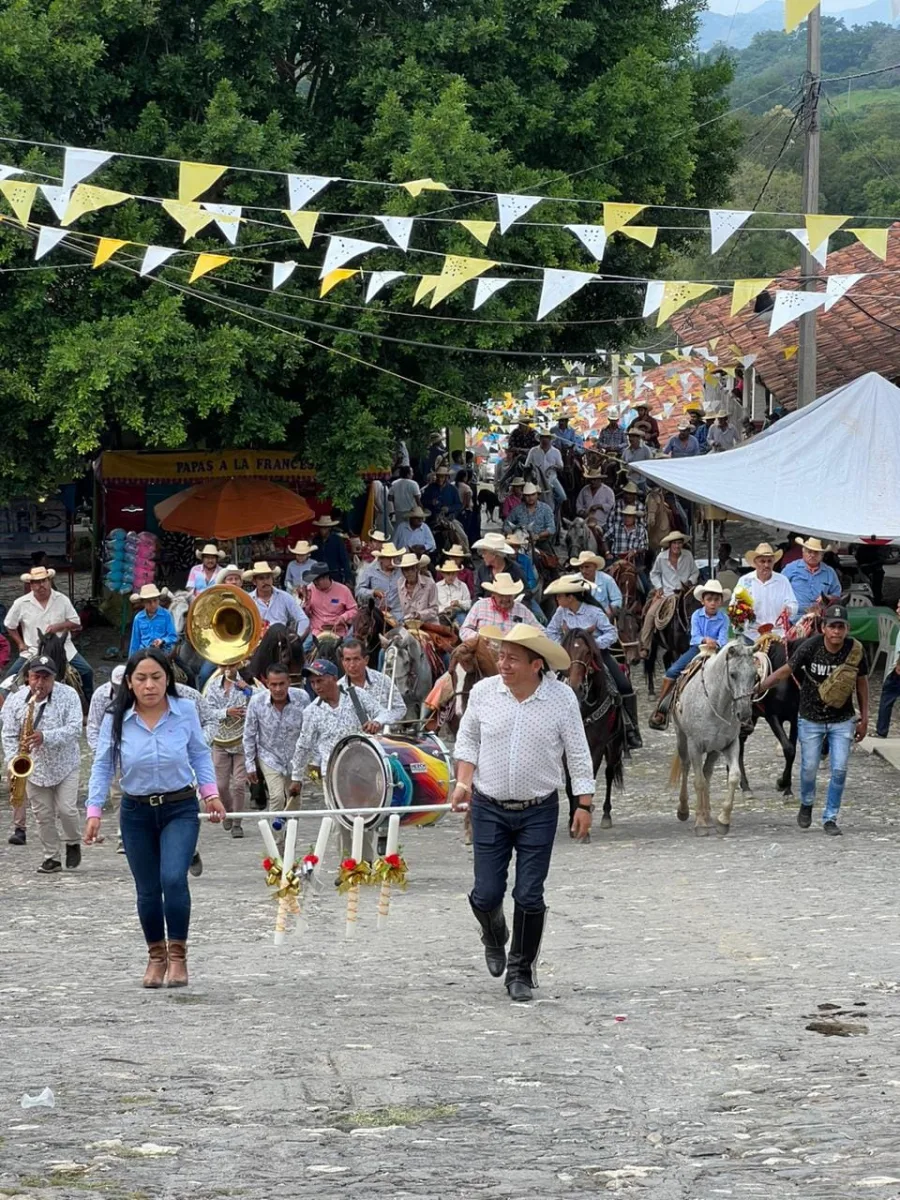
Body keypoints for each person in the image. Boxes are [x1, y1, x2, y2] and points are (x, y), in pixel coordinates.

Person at [451, 623, 594, 1003]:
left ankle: (521, 971)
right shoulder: (483, 692)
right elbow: (467, 741)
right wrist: (463, 783)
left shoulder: (561, 699)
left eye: (512, 659)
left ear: (536, 665)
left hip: (538, 810)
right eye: (501, 656)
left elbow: (578, 753)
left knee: (530, 894)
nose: (503, 664)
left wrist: (584, 803)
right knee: (486, 893)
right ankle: (494, 932)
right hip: (488, 807)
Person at [84, 649, 226, 987]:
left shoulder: (185, 711)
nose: (150, 685)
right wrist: (93, 811)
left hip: (180, 807)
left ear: (168, 679)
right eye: (141, 678)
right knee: (147, 890)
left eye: (157, 677)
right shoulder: (115, 718)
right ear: (130, 684)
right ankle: (156, 956)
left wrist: (211, 793)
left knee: (174, 878)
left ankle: (178, 956)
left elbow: (199, 754)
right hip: (135, 812)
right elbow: (103, 766)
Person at [758, 604, 868, 836]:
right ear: (823, 628)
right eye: (832, 626)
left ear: (847, 629)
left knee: (839, 769)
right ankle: (807, 803)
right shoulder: (811, 646)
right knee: (808, 768)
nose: (837, 631)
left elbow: (862, 684)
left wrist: (865, 717)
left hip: (842, 718)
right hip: (810, 717)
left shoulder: (855, 650)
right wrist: (761, 686)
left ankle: (830, 817)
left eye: (841, 627)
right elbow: (787, 669)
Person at [1, 654, 83, 874]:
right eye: (36, 677)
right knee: (43, 815)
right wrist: (13, 761)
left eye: (46, 678)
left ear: (54, 678)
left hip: (65, 764)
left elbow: (76, 729)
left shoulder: (69, 695)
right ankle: (52, 857)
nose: (40, 683)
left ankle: (73, 841)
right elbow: (8, 734)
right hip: (34, 768)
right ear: (28, 677)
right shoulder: (16, 700)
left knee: (67, 810)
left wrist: (45, 736)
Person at [544, 575, 643, 749]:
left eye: (560, 595)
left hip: (597, 655)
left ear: (571, 597)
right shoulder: (561, 612)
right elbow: (550, 632)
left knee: (623, 685)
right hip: (570, 657)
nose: (557, 599)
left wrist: (592, 646)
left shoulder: (594, 612)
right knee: (546, 684)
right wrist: (564, 646)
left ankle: (630, 728)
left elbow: (611, 633)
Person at [289, 659, 390, 798]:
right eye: (312, 683)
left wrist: (377, 722)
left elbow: (384, 713)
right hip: (333, 773)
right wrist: (296, 778)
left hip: (364, 768)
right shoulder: (311, 712)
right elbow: (304, 746)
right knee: (339, 817)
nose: (316, 687)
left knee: (368, 813)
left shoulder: (356, 695)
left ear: (334, 678)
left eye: (320, 681)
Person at [2, 565, 93, 702]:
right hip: (33, 650)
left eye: (44, 581)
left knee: (87, 671)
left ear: (49, 581)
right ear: (31, 585)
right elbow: (10, 625)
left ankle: (89, 706)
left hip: (63, 649)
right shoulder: (21, 603)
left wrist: (59, 626)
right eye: (37, 582)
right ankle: (10, 711)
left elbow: (76, 623)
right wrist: (20, 643)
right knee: (9, 680)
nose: (41, 585)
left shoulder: (62, 599)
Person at [649, 581, 731, 728]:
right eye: (709, 600)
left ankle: (735, 710)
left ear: (720, 602)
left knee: (733, 673)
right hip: (698, 649)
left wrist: (717, 643)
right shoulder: (696, 615)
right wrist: (706, 639)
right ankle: (661, 708)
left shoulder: (724, 618)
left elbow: (724, 639)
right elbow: (694, 637)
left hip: (717, 651)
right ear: (702, 601)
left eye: (716, 600)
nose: (712, 603)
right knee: (672, 671)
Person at [242, 663, 310, 816]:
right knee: (277, 797)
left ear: (289, 682)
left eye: (281, 684)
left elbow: (310, 729)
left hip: (295, 757)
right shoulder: (256, 702)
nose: (278, 689)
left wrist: (312, 758)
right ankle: (276, 839)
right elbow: (249, 733)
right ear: (267, 684)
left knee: (294, 798)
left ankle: (290, 836)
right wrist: (250, 763)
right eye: (273, 684)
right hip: (270, 756)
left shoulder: (302, 698)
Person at [204, 665, 254, 839]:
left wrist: (248, 690)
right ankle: (229, 811)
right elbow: (207, 711)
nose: (228, 668)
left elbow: (260, 703)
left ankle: (237, 822)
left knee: (239, 784)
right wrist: (227, 712)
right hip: (220, 740)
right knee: (220, 785)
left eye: (232, 665)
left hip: (241, 740)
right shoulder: (213, 685)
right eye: (225, 665)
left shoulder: (247, 681)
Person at [85, 664, 127, 854]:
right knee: (117, 795)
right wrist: (100, 752)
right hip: (111, 751)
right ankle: (123, 835)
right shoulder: (100, 695)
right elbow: (93, 726)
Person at [639, 532, 698, 657]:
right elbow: (654, 574)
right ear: (670, 545)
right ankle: (645, 646)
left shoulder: (688, 555)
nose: (677, 546)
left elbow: (695, 572)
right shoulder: (661, 557)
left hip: (685, 592)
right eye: (675, 543)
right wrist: (659, 587)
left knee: (698, 610)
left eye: (680, 543)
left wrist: (690, 582)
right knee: (650, 615)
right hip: (667, 594)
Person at [737, 543, 798, 642]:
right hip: (751, 634)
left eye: (769, 561)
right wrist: (741, 611)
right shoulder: (744, 581)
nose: (766, 565)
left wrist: (789, 609)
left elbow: (793, 603)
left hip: (777, 634)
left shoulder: (782, 580)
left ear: (773, 562)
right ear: (755, 562)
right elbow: (734, 606)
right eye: (762, 561)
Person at [339, 638, 406, 725]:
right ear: (342, 662)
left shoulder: (383, 680)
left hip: (384, 736)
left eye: (356, 659)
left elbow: (400, 709)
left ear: (366, 660)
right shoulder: (338, 688)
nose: (352, 665)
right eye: (347, 660)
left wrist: (380, 721)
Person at [460, 573, 542, 643]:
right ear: (493, 594)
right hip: (484, 653)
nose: (505, 599)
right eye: (501, 595)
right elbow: (464, 630)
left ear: (514, 595)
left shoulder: (522, 610)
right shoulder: (480, 605)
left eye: (509, 595)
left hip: (512, 655)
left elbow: (541, 631)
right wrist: (480, 638)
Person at [244, 561, 310, 637]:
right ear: (254, 582)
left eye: (268, 577)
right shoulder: (248, 600)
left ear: (272, 579)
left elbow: (303, 619)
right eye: (261, 578)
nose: (266, 581)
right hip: (257, 641)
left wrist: (298, 638)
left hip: (282, 641)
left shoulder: (285, 597)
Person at [783, 537, 842, 617]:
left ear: (822, 555)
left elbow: (837, 594)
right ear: (803, 552)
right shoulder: (791, 568)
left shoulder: (829, 572)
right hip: (795, 617)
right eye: (809, 552)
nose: (812, 555)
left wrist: (827, 597)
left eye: (816, 552)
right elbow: (779, 588)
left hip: (820, 617)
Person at [302, 562, 358, 637]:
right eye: (313, 580)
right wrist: (306, 603)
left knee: (350, 647)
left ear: (326, 577)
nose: (315, 583)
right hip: (316, 632)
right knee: (302, 647)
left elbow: (354, 609)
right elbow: (304, 614)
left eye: (317, 580)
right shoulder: (310, 589)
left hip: (338, 632)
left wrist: (343, 617)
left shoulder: (343, 590)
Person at [355, 541, 404, 623]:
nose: (392, 561)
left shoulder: (401, 570)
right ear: (381, 559)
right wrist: (373, 592)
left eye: (394, 557)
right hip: (376, 614)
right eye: (389, 558)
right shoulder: (370, 570)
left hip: (398, 615)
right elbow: (358, 591)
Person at [129, 584, 178, 657]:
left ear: (158, 600)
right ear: (143, 603)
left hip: (163, 652)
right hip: (143, 653)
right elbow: (135, 642)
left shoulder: (166, 615)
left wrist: (162, 641)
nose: (153, 604)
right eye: (149, 602)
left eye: (155, 600)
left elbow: (173, 637)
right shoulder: (138, 618)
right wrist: (131, 661)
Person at [472, 532, 526, 598]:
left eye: (484, 553)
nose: (482, 556)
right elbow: (477, 593)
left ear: (494, 555)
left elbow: (526, 593)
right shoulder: (482, 569)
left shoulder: (515, 569)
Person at [570, 551, 622, 617]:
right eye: (581, 567)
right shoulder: (574, 580)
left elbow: (617, 599)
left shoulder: (607, 579)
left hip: (603, 617)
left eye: (587, 567)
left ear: (595, 567)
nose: (583, 571)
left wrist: (610, 611)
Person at [525, 432, 565, 507]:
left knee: (562, 497)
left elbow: (561, 466)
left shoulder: (556, 452)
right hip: (536, 480)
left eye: (546, 438)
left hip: (552, 478)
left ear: (550, 439)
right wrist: (533, 471)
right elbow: (527, 465)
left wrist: (554, 467)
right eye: (543, 438)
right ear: (540, 439)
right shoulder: (533, 450)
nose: (544, 440)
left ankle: (555, 511)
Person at [397, 553, 439, 623]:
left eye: (412, 569)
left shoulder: (430, 583)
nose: (409, 572)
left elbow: (434, 610)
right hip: (408, 623)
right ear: (402, 571)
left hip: (428, 624)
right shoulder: (400, 583)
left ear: (417, 569)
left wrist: (419, 615)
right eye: (405, 569)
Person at [311, 515, 351, 584]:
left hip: (334, 575)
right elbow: (313, 558)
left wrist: (348, 578)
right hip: (319, 575)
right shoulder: (316, 540)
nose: (322, 530)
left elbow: (344, 559)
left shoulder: (337, 540)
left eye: (324, 528)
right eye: (321, 528)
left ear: (329, 528)